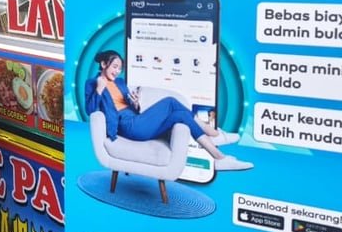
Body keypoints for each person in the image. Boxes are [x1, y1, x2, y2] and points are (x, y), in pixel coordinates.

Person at [84, 49, 252, 170]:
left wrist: (135, 103)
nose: (117, 71)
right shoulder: (92, 83)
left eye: (119, 68)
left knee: (181, 115)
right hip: (127, 125)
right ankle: (214, 134)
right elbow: (90, 110)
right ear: (103, 64)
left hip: (137, 120)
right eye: (114, 66)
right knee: (170, 102)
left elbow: (128, 105)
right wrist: (99, 89)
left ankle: (219, 158)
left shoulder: (120, 82)